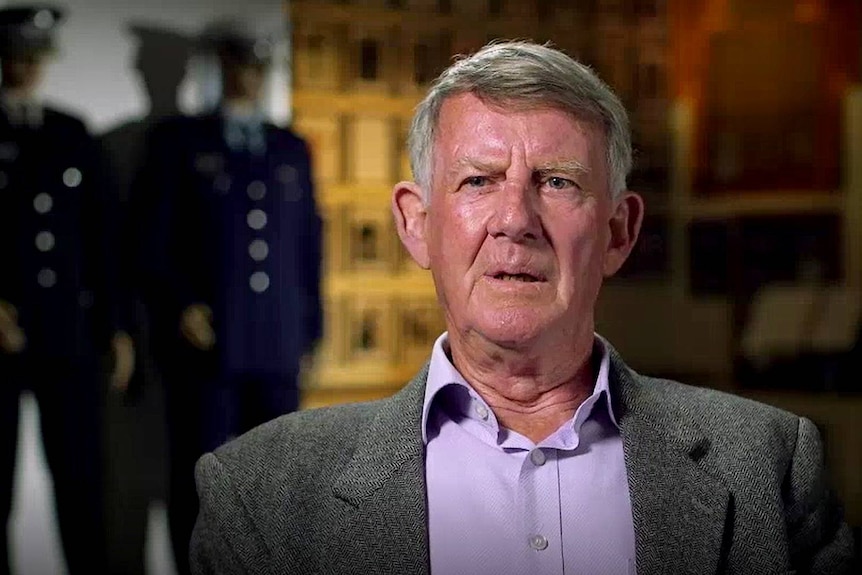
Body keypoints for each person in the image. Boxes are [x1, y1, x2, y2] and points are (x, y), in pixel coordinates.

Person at [189, 40, 856, 574]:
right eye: (479, 180)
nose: (516, 218)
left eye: (557, 181)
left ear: (619, 232)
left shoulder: (771, 467)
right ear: (416, 224)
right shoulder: (259, 496)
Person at [136, 18, 322, 575]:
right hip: (207, 346)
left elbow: (308, 246)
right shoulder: (179, 142)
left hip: (275, 345)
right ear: (220, 67)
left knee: (279, 478)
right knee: (200, 481)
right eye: (239, 64)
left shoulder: (291, 148)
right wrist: (180, 305)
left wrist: (311, 331)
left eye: (259, 67)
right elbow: (150, 243)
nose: (249, 78)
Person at [0, 5, 133, 575]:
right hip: (1, 336)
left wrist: (118, 327)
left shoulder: (71, 134)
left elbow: (103, 241)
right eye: (16, 54)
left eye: (36, 55)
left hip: (69, 331)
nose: (26, 66)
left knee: (81, 482)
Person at [99, 22, 194, 575]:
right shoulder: (115, 145)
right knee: (125, 490)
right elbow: (106, 248)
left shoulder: (205, 140)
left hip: (191, 341)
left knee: (195, 483)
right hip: (131, 334)